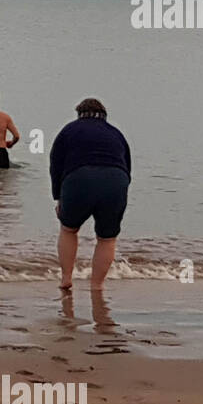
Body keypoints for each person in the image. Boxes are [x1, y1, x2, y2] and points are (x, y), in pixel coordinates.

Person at [49, 98, 132, 291]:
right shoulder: (116, 134)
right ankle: (97, 285)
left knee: (69, 229)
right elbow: (127, 167)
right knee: (107, 238)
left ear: (79, 113)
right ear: (104, 115)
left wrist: (58, 197)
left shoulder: (69, 130)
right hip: (116, 180)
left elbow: (56, 165)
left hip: (79, 178)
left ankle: (66, 279)